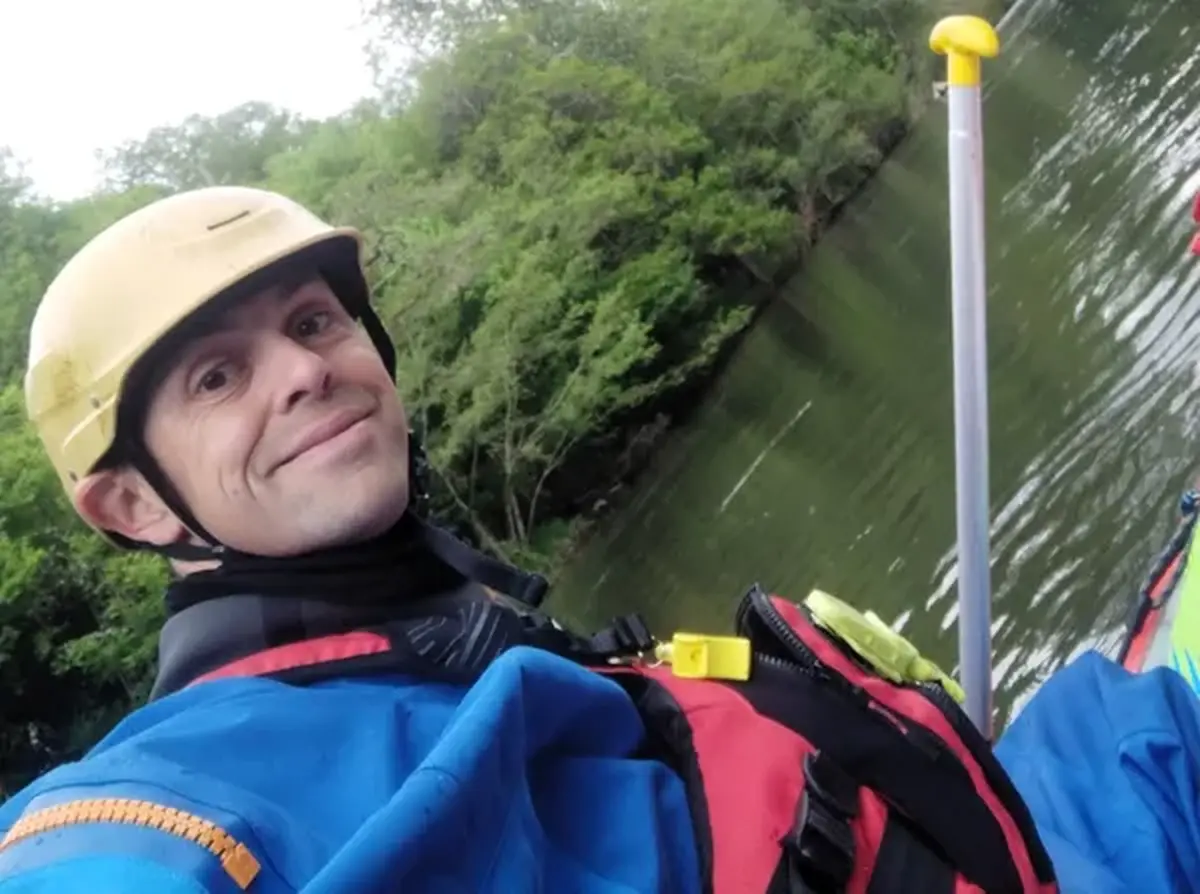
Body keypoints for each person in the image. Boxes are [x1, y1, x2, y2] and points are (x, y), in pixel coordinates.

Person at [0, 186, 1055, 893]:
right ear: (134, 506)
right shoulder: (166, 806)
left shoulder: (471, 641)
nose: (303, 370)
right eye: (218, 377)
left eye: (315, 322)